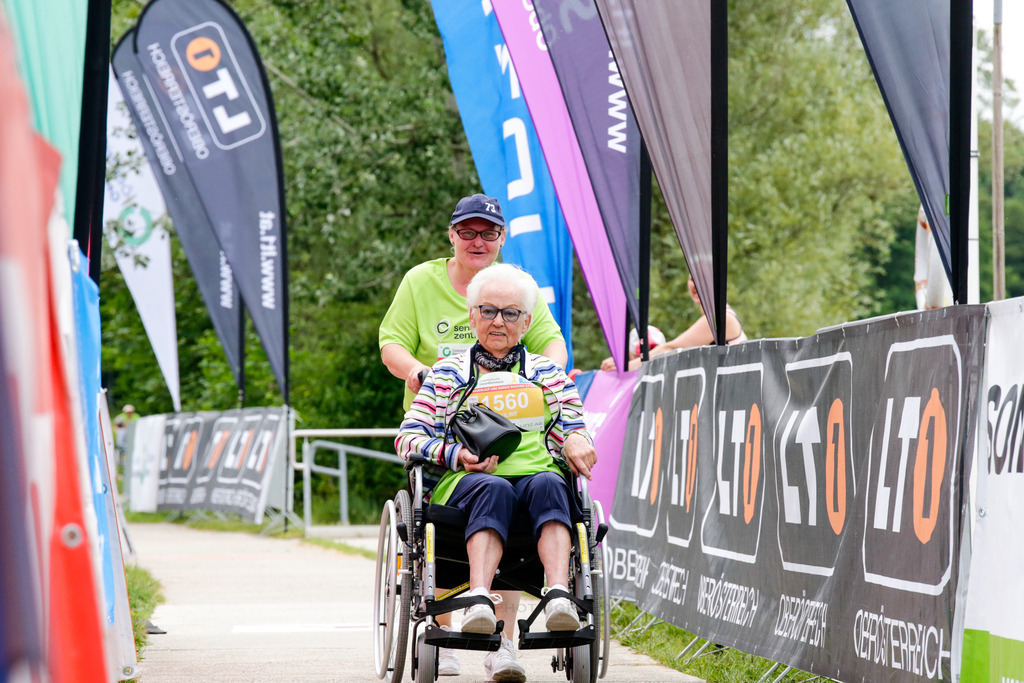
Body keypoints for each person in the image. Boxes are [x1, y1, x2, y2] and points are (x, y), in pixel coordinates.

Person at [379, 194, 568, 677]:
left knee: (532, 486)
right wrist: (429, 375)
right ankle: (446, 623)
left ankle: (506, 639)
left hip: (517, 440)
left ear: (501, 238)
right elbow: (391, 343)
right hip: (445, 421)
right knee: (480, 493)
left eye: (488, 233)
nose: (478, 241)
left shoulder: (517, 288)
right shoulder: (422, 283)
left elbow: (552, 346)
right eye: (468, 232)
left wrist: (543, 384)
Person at [396, 264, 597, 683]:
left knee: (550, 482)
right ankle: (479, 600)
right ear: (471, 316)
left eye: (510, 313)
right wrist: (454, 454)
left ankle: (559, 595)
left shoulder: (547, 374)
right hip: (469, 483)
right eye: (488, 311)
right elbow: (408, 439)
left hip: (535, 479)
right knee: (493, 488)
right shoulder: (448, 374)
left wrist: (577, 438)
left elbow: (573, 427)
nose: (498, 322)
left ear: (526, 322)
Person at [600, 277, 746, 372]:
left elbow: (671, 349)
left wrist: (623, 369)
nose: (696, 284)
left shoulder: (720, 318)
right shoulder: (718, 315)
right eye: (691, 278)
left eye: (702, 278)